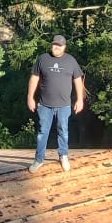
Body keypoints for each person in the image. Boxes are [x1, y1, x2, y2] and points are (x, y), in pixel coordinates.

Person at [26, 34, 85, 173]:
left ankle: (63, 156)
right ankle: (39, 159)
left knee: (63, 131)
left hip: (64, 105)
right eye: (54, 44)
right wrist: (30, 97)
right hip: (44, 105)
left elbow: (78, 80)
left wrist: (80, 99)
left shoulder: (71, 61)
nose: (56, 47)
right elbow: (34, 78)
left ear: (64, 47)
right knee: (42, 132)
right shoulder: (43, 59)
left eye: (59, 45)